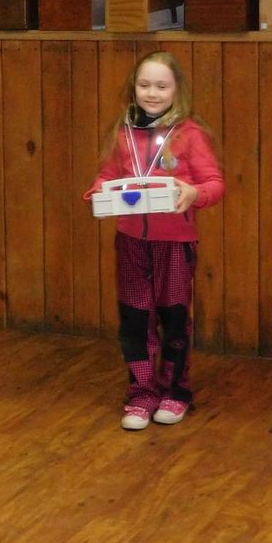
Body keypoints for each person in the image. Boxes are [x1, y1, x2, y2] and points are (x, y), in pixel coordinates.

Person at [85, 51, 224, 431]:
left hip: (175, 243)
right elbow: (108, 174)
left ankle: (176, 392)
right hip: (131, 241)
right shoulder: (123, 131)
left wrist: (195, 194)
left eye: (161, 86)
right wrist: (98, 191)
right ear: (133, 87)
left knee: (174, 318)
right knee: (135, 319)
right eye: (144, 84)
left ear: (177, 89)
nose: (152, 93)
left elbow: (214, 183)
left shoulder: (190, 134)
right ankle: (141, 394)